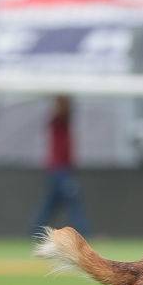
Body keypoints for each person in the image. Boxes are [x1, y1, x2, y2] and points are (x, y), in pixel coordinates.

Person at [31, 96, 89, 234]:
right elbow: (60, 111)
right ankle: (85, 235)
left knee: (49, 206)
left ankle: (34, 232)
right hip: (59, 171)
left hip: (61, 170)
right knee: (74, 204)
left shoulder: (65, 123)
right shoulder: (58, 122)